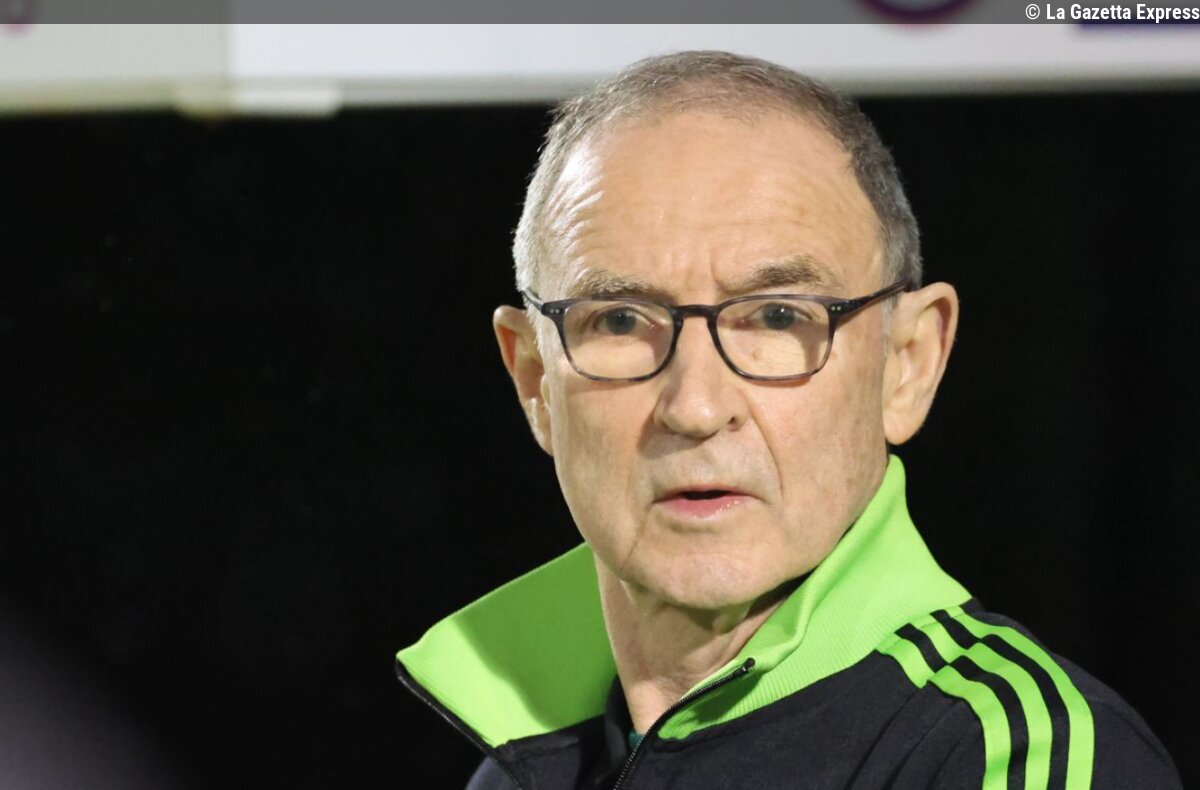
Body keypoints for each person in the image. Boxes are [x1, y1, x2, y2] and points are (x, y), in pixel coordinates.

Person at [395, 51, 1181, 789]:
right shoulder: (519, 770)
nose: (696, 407)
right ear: (534, 380)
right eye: (621, 320)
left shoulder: (1020, 757)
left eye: (777, 317)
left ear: (907, 364)